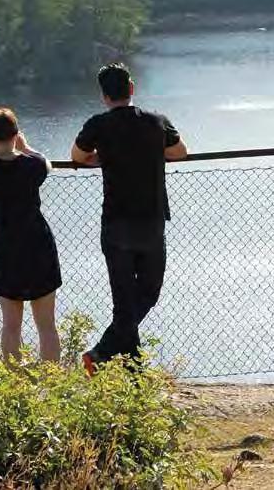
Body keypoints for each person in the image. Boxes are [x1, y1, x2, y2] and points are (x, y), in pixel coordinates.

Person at [70, 63, 187, 373]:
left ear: (104, 96)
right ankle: (125, 370)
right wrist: (150, 154)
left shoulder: (98, 125)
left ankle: (103, 356)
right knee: (148, 292)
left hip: (115, 224)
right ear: (131, 89)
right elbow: (179, 153)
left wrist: (103, 158)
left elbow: (77, 157)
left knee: (124, 302)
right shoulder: (156, 122)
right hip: (151, 221)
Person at [0, 107, 61, 363]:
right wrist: (25, 146)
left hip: (5, 247)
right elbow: (47, 164)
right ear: (16, 134)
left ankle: (15, 386)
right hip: (39, 244)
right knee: (47, 326)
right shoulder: (32, 166)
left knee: (10, 326)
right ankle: (52, 385)